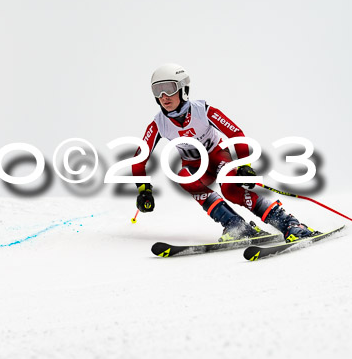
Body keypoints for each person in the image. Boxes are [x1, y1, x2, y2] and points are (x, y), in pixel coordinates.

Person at [132, 63, 316, 242]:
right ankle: (235, 225)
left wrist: (245, 165)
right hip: (195, 167)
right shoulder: (158, 124)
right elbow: (139, 159)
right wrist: (143, 190)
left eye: (169, 89)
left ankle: (290, 224)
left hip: (217, 156)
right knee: (183, 176)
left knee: (230, 189)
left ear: (182, 89)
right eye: (157, 91)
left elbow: (236, 133)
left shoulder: (202, 111)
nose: (164, 96)